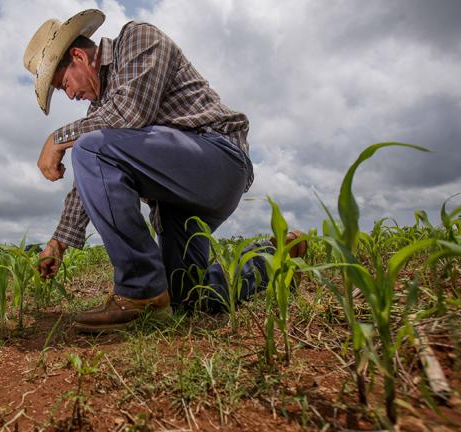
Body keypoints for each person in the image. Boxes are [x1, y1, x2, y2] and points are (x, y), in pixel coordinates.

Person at [22, 9, 305, 332]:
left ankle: (139, 291)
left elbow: (130, 113)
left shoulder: (137, 38)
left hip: (218, 159)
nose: (70, 94)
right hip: (177, 201)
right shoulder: (98, 113)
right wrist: (58, 243)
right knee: (186, 295)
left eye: (63, 84)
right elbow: (93, 176)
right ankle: (274, 258)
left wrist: (57, 139)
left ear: (78, 57)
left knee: (88, 146)